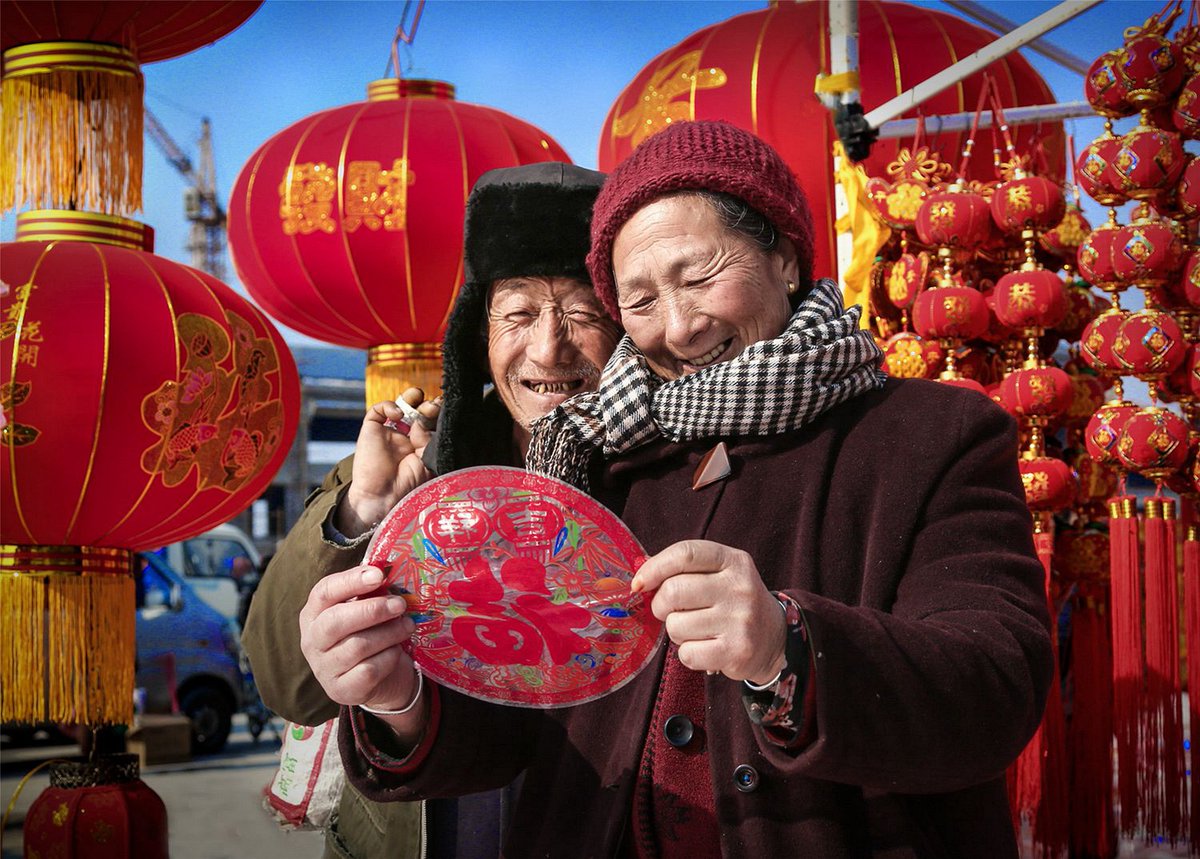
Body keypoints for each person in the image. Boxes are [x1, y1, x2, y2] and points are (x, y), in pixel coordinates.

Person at [310, 121, 1054, 857]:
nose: (677, 326)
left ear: (786, 257)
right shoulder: (590, 455)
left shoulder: (932, 435)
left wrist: (787, 647)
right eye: (638, 301)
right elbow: (519, 723)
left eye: (699, 277)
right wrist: (394, 693)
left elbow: (998, 684)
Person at [241, 162, 620, 858]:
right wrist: (365, 507)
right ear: (479, 333)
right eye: (520, 313)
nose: (548, 347)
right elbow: (287, 683)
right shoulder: (410, 467)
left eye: (583, 312)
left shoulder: (659, 478)